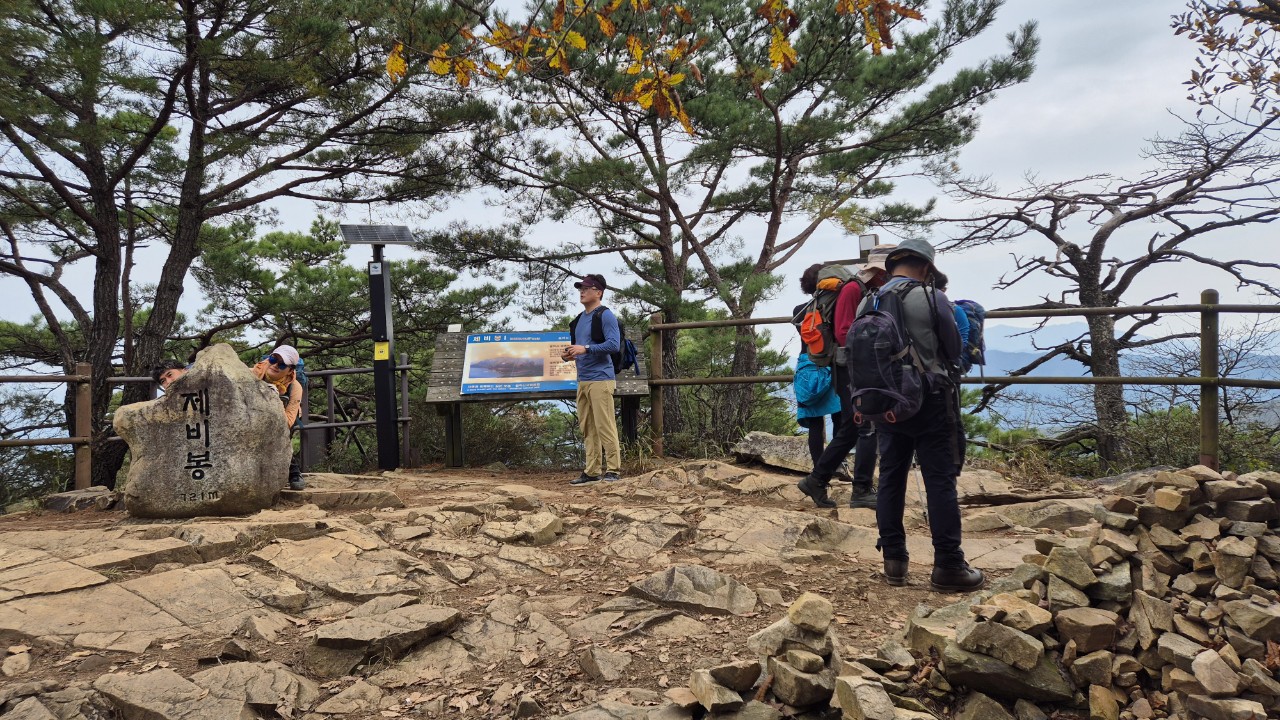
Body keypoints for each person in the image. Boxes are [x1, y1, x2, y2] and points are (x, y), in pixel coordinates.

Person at [862, 238, 982, 593]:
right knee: (939, 481)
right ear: (927, 267)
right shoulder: (932, 297)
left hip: (887, 402)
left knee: (891, 477)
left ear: (891, 267)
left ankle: (894, 561)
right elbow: (954, 350)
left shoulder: (870, 300)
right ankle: (948, 565)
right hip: (931, 399)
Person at [797, 244, 895, 509]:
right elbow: (843, 331)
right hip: (852, 367)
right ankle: (860, 489)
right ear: (879, 272)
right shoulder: (853, 290)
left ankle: (817, 480)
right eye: (887, 272)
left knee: (853, 426)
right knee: (866, 425)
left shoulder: (864, 290)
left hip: (853, 366)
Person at [563, 274, 622, 484]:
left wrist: (586, 348)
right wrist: (569, 354)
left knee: (605, 425)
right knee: (588, 428)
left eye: (586, 288)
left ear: (598, 292)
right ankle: (592, 471)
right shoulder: (579, 319)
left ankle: (613, 470)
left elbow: (614, 344)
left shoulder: (605, 315)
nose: (582, 292)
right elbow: (580, 347)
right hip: (583, 380)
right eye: (581, 288)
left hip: (601, 379)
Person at [792, 300, 842, 468]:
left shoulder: (799, 310)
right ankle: (837, 463)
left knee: (815, 422)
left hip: (807, 365)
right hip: (830, 363)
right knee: (839, 417)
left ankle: (818, 469)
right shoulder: (833, 307)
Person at [251, 345, 306, 491]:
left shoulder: (295, 387)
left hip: (283, 418)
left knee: (281, 437)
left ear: (290, 370)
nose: (275, 365)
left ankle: (294, 473)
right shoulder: (252, 374)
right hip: (254, 416)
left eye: (282, 364)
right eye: (273, 359)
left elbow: (287, 422)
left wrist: (275, 400)